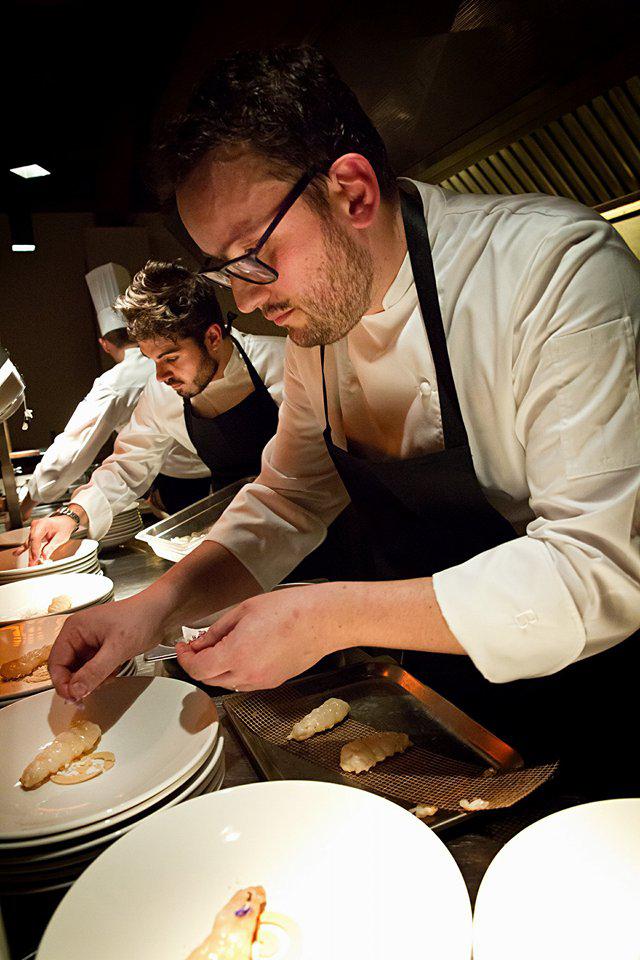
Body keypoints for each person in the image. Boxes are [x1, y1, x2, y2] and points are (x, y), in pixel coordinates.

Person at [49, 48, 640, 791]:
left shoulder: (552, 269)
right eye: (225, 271)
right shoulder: (320, 328)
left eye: (252, 255)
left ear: (353, 192)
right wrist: (154, 608)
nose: (245, 301)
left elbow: (601, 567)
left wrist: (324, 618)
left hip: (594, 706)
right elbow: (290, 498)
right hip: (437, 707)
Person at [25, 260, 286, 564]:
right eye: (153, 361)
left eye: (170, 358)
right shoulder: (161, 393)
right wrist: (72, 514)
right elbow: (128, 465)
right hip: (237, 539)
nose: (161, 376)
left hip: (311, 529)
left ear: (213, 337)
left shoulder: (282, 362)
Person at [20, 263, 156, 520]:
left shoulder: (115, 382)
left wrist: (28, 501)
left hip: (164, 485)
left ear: (104, 344)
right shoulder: (164, 362)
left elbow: (72, 449)